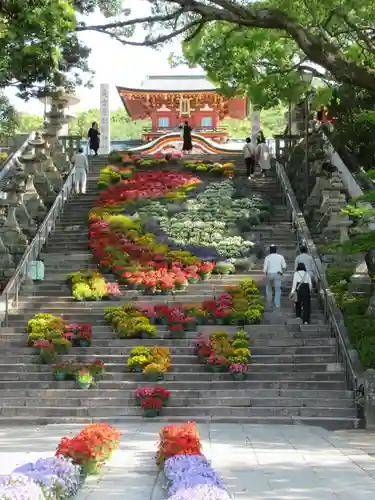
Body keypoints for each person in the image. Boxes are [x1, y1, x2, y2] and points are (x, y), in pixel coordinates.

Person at [263, 245, 287, 309]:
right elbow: (284, 266)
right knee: (277, 290)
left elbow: (265, 268)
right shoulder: (280, 257)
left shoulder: (267, 257)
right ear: (276, 250)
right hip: (278, 273)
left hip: (269, 274)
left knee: (269, 288)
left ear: (270, 250)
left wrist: (265, 274)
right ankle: (277, 304)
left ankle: (269, 302)